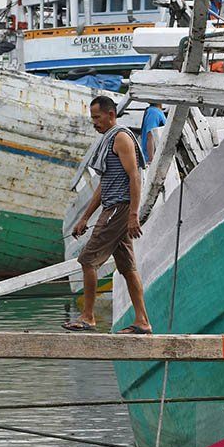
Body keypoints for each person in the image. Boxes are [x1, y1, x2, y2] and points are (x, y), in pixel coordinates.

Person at [64, 95, 152, 334]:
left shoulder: (121, 137)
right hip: (112, 207)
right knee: (127, 267)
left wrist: (134, 214)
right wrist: (84, 218)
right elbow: (104, 184)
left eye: (97, 117)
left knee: (87, 260)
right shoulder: (107, 140)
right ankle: (142, 322)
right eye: (92, 118)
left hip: (120, 208)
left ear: (110, 114)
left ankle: (88, 317)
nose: (94, 122)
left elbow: (134, 176)